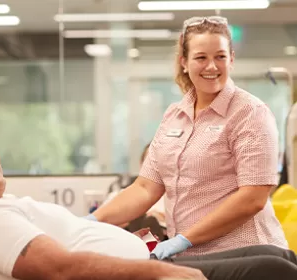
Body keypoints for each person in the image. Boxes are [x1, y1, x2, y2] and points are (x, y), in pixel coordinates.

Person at [0, 121, 297, 280]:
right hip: (147, 276)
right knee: (272, 268)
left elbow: (70, 241)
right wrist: (163, 272)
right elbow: (60, 268)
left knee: (275, 254)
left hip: (148, 261)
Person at [90, 15, 288, 259]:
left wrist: (184, 240)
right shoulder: (175, 115)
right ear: (184, 62)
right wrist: (90, 222)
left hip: (247, 256)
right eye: (201, 57)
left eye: (220, 57)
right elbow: (144, 188)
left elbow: (253, 197)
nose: (212, 66)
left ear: (232, 59)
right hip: (192, 259)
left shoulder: (249, 113)